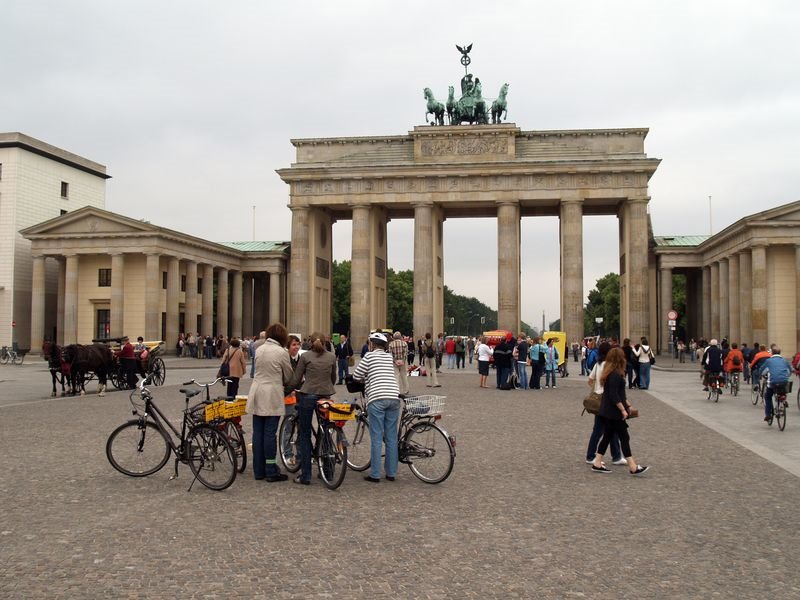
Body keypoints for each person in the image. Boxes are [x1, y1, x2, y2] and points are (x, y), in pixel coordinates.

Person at [287, 331, 337, 485]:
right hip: (325, 395)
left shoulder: (305, 356)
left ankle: (306, 475)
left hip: (307, 394)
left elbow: (296, 379)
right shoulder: (331, 357)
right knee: (326, 431)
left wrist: (287, 389)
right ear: (325, 342)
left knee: (305, 433)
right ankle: (327, 472)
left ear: (310, 342)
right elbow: (333, 378)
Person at [590, 347, 649, 475]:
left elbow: (619, 394)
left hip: (609, 411)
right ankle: (633, 466)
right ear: (619, 359)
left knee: (607, 437)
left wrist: (628, 405)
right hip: (613, 412)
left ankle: (597, 462)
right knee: (624, 437)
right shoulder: (615, 375)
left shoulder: (611, 373)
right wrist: (623, 410)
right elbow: (614, 395)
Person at [246, 323, 293, 482]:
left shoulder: (259, 349)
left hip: (257, 392)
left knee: (257, 432)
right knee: (270, 434)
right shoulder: (281, 352)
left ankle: (258, 470)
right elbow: (288, 376)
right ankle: (271, 469)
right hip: (272, 394)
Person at [352, 332, 401, 483]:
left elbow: (356, 375)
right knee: (391, 437)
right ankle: (391, 473)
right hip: (394, 397)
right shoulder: (388, 357)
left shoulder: (369, 356)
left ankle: (375, 474)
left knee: (377, 436)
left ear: (372, 344)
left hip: (377, 398)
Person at [585, 341, 625, 466]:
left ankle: (616, 456)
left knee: (610, 429)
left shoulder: (598, 364)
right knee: (601, 430)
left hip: (600, 400)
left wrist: (596, 390)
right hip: (607, 401)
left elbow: (590, 380)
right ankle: (592, 455)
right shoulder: (609, 365)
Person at [762, 348, 792, 423]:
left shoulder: (769, 361)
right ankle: (784, 400)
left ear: (772, 353)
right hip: (784, 381)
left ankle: (768, 414)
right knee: (783, 388)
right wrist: (788, 375)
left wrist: (761, 375)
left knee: (768, 396)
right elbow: (790, 370)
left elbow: (762, 370)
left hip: (773, 382)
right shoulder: (784, 360)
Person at [388, 331, 409, 396]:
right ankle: (406, 390)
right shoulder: (404, 343)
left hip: (395, 362)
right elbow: (405, 354)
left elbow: (390, 354)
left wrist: (395, 361)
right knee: (404, 376)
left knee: (396, 376)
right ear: (400, 337)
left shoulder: (391, 344)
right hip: (403, 362)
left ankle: (397, 391)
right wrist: (402, 360)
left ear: (394, 337)